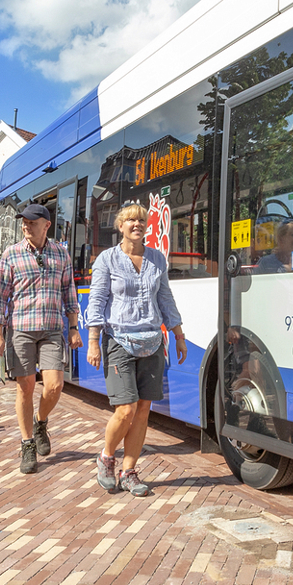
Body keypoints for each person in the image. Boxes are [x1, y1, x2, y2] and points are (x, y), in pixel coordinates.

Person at [87, 203, 187, 497]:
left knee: (143, 410)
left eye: (141, 220)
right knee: (126, 409)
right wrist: (93, 340)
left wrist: (179, 334)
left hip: (152, 341)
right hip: (118, 339)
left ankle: (129, 471)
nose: (137, 224)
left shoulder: (157, 259)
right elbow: (97, 301)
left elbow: (165, 298)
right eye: (130, 220)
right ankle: (106, 457)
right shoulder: (107, 260)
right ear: (120, 226)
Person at [0, 203, 83, 474]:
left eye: (32, 222)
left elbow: (69, 292)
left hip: (53, 328)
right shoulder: (12, 255)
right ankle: (27, 442)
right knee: (26, 386)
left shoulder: (60, 254)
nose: (26, 225)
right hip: (21, 328)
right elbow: (0, 297)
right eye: (24, 222)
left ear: (46, 225)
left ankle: (41, 421)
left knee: (54, 385)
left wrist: (74, 327)